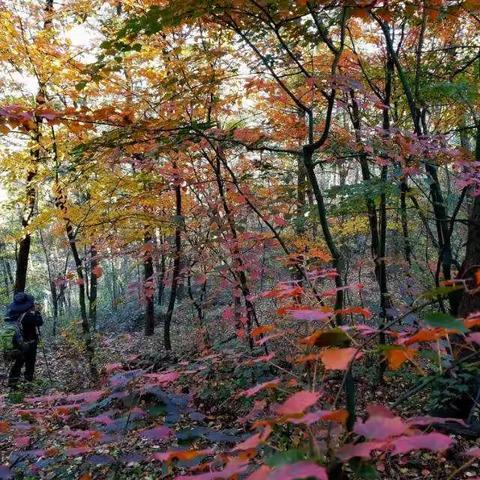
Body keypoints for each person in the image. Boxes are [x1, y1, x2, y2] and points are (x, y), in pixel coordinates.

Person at [5, 292, 43, 389]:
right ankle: (28, 382)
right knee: (30, 362)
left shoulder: (11, 313)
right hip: (29, 342)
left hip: (16, 343)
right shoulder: (29, 315)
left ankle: (12, 383)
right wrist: (37, 313)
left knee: (18, 363)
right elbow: (40, 322)